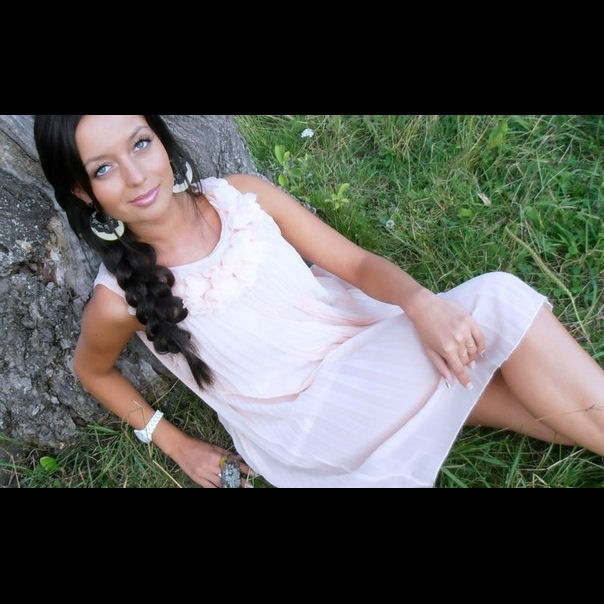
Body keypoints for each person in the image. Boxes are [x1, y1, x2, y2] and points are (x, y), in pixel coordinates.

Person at [33, 115, 604, 488]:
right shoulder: (117, 301)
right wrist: (177, 444)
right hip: (309, 422)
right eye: (104, 168)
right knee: (497, 300)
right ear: (84, 192)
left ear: (160, 139)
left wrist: (420, 303)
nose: (136, 175)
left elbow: (355, 264)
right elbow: (93, 371)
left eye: (140, 143)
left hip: (363, 347)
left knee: (514, 387)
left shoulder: (240, 197)